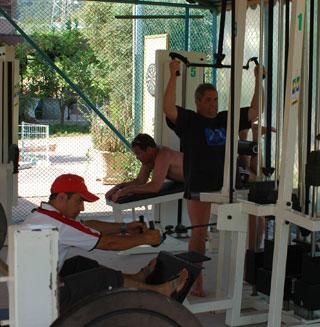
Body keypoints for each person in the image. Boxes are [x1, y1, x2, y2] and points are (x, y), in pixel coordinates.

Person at [163, 59, 263, 297]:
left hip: (226, 185)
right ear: (197, 102)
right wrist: (173, 75)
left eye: (216, 99)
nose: (213, 103)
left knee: (250, 221)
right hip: (199, 184)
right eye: (208, 99)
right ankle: (195, 282)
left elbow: (255, 112)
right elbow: (168, 108)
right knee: (199, 233)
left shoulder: (224, 119)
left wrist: (259, 79)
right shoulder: (189, 121)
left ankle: (249, 272)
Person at [22, 173, 188, 310]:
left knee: (81, 264)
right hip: (41, 299)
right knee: (103, 278)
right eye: (79, 201)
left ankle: (136, 278)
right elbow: (109, 244)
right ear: (62, 197)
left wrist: (125, 227)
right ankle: (159, 291)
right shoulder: (60, 223)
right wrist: (145, 238)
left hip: (32, 287)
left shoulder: (43, 214)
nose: (82, 208)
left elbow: (86, 225)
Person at [105, 133, 184, 202]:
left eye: (138, 153)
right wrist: (118, 187)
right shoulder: (149, 158)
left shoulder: (164, 155)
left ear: (149, 150)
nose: (137, 157)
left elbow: (155, 187)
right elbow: (140, 181)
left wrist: (128, 190)